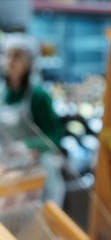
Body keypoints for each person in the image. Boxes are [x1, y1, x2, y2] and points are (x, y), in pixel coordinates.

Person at [1, 34, 65, 205]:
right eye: (7, 55)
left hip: (39, 176)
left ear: (29, 61)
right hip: (10, 175)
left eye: (17, 56)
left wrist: (28, 146)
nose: (10, 61)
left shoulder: (39, 96)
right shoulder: (2, 94)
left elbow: (53, 139)